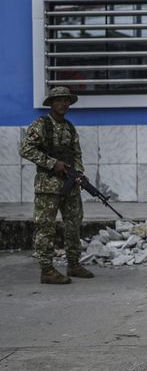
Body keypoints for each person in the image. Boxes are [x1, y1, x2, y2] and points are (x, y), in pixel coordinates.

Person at [18, 86, 94, 284]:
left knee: (74, 223)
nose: (64, 104)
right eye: (59, 100)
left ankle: (73, 264)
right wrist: (53, 163)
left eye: (67, 100)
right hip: (48, 186)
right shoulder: (41, 125)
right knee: (46, 227)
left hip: (70, 184)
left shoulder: (69, 127)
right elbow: (25, 149)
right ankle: (47, 270)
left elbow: (76, 154)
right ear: (51, 103)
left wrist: (78, 173)